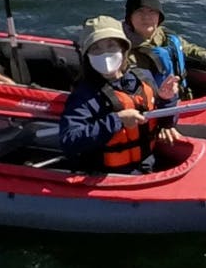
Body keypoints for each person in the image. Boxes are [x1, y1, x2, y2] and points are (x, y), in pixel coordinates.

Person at [58, 15, 181, 174]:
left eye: (111, 46)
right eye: (96, 48)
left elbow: (159, 118)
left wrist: (167, 100)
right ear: (87, 56)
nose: (105, 54)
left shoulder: (143, 77)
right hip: (108, 174)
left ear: (123, 49)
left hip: (147, 165)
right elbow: (69, 140)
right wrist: (117, 120)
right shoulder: (84, 95)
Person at [122, 0, 206, 101]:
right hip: (154, 106)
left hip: (182, 97)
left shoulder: (165, 35)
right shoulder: (121, 48)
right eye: (140, 11)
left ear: (159, 16)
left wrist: (205, 56)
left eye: (151, 11)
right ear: (130, 16)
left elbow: (186, 47)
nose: (146, 17)